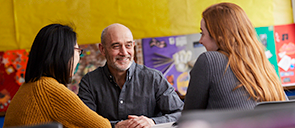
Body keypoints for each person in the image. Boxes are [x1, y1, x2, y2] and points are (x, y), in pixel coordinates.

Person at [3, 24, 111, 128]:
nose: (79, 57)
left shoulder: (28, 87)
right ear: (63, 53)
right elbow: (102, 126)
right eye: (78, 51)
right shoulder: (47, 89)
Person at [183, 2, 286, 111]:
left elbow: (189, 116)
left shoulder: (209, 60)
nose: (201, 41)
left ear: (219, 36)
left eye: (202, 33)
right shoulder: (264, 64)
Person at [78, 23, 184, 128]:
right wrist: (116, 126)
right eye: (116, 46)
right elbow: (84, 123)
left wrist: (153, 122)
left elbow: (181, 114)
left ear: (133, 46)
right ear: (102, 49)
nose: (124, 52)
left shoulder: (154, 78)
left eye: (128, 45)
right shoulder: (89, 83)